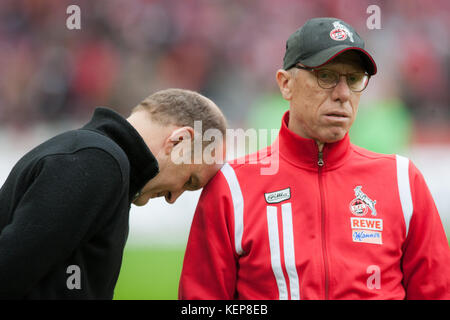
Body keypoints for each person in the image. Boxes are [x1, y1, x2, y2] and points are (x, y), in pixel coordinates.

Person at [179, 18, 450, 300]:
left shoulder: (404, 181)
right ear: (286, 85)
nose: (343, 94)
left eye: (354, 79)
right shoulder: (231, 187)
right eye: (327, 76)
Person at [0, 88, 227, 299]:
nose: (173, 198)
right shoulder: (98, 162)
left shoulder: (99, 159)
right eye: (189, 181)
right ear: (180, 141)